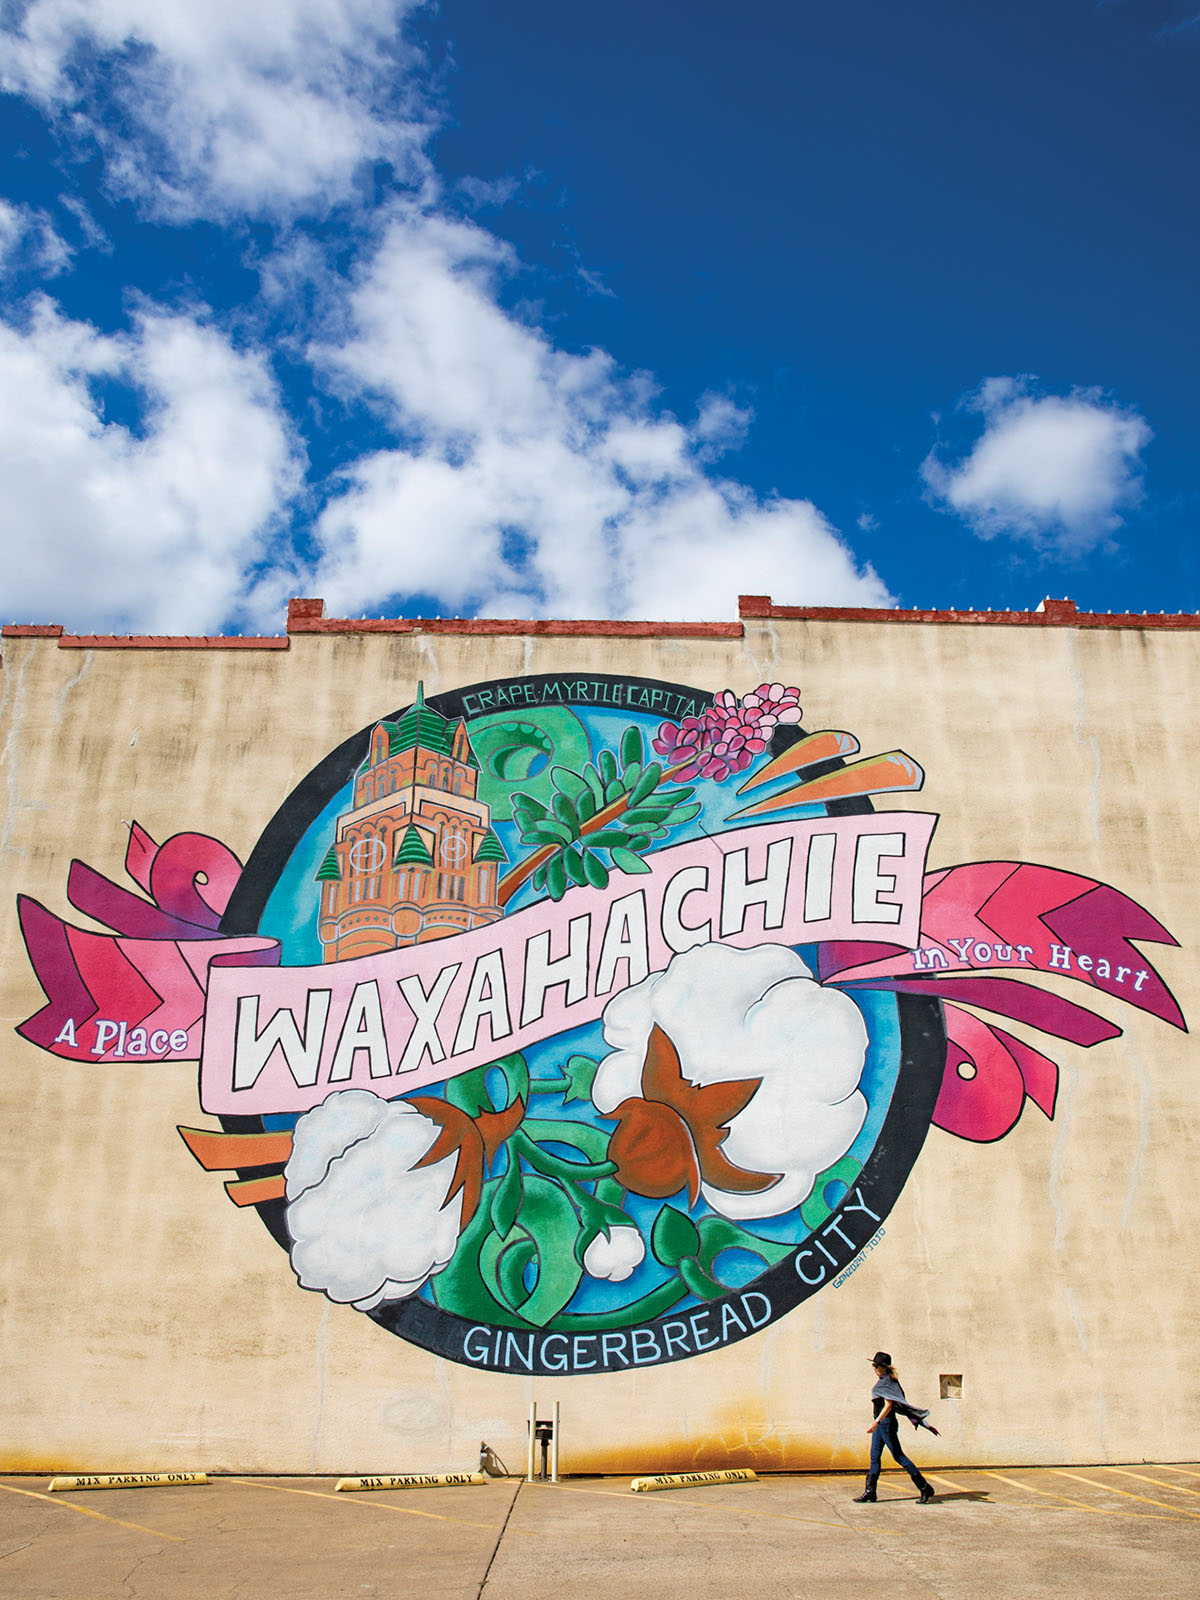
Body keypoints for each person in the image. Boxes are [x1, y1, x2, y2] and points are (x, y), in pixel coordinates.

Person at [852, 1351, 938, 1504]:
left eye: (876, 1365)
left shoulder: (887, 1382)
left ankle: (925, 1487)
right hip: (881, 1424)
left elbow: (888, 1405)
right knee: (874, 1457)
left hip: (886, 1423)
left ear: (884, 1367)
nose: (874, 1368)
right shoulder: (885, 1381)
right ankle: (870, 1492)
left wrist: (876, 1422)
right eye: (873, 1365)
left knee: (898, 1456)